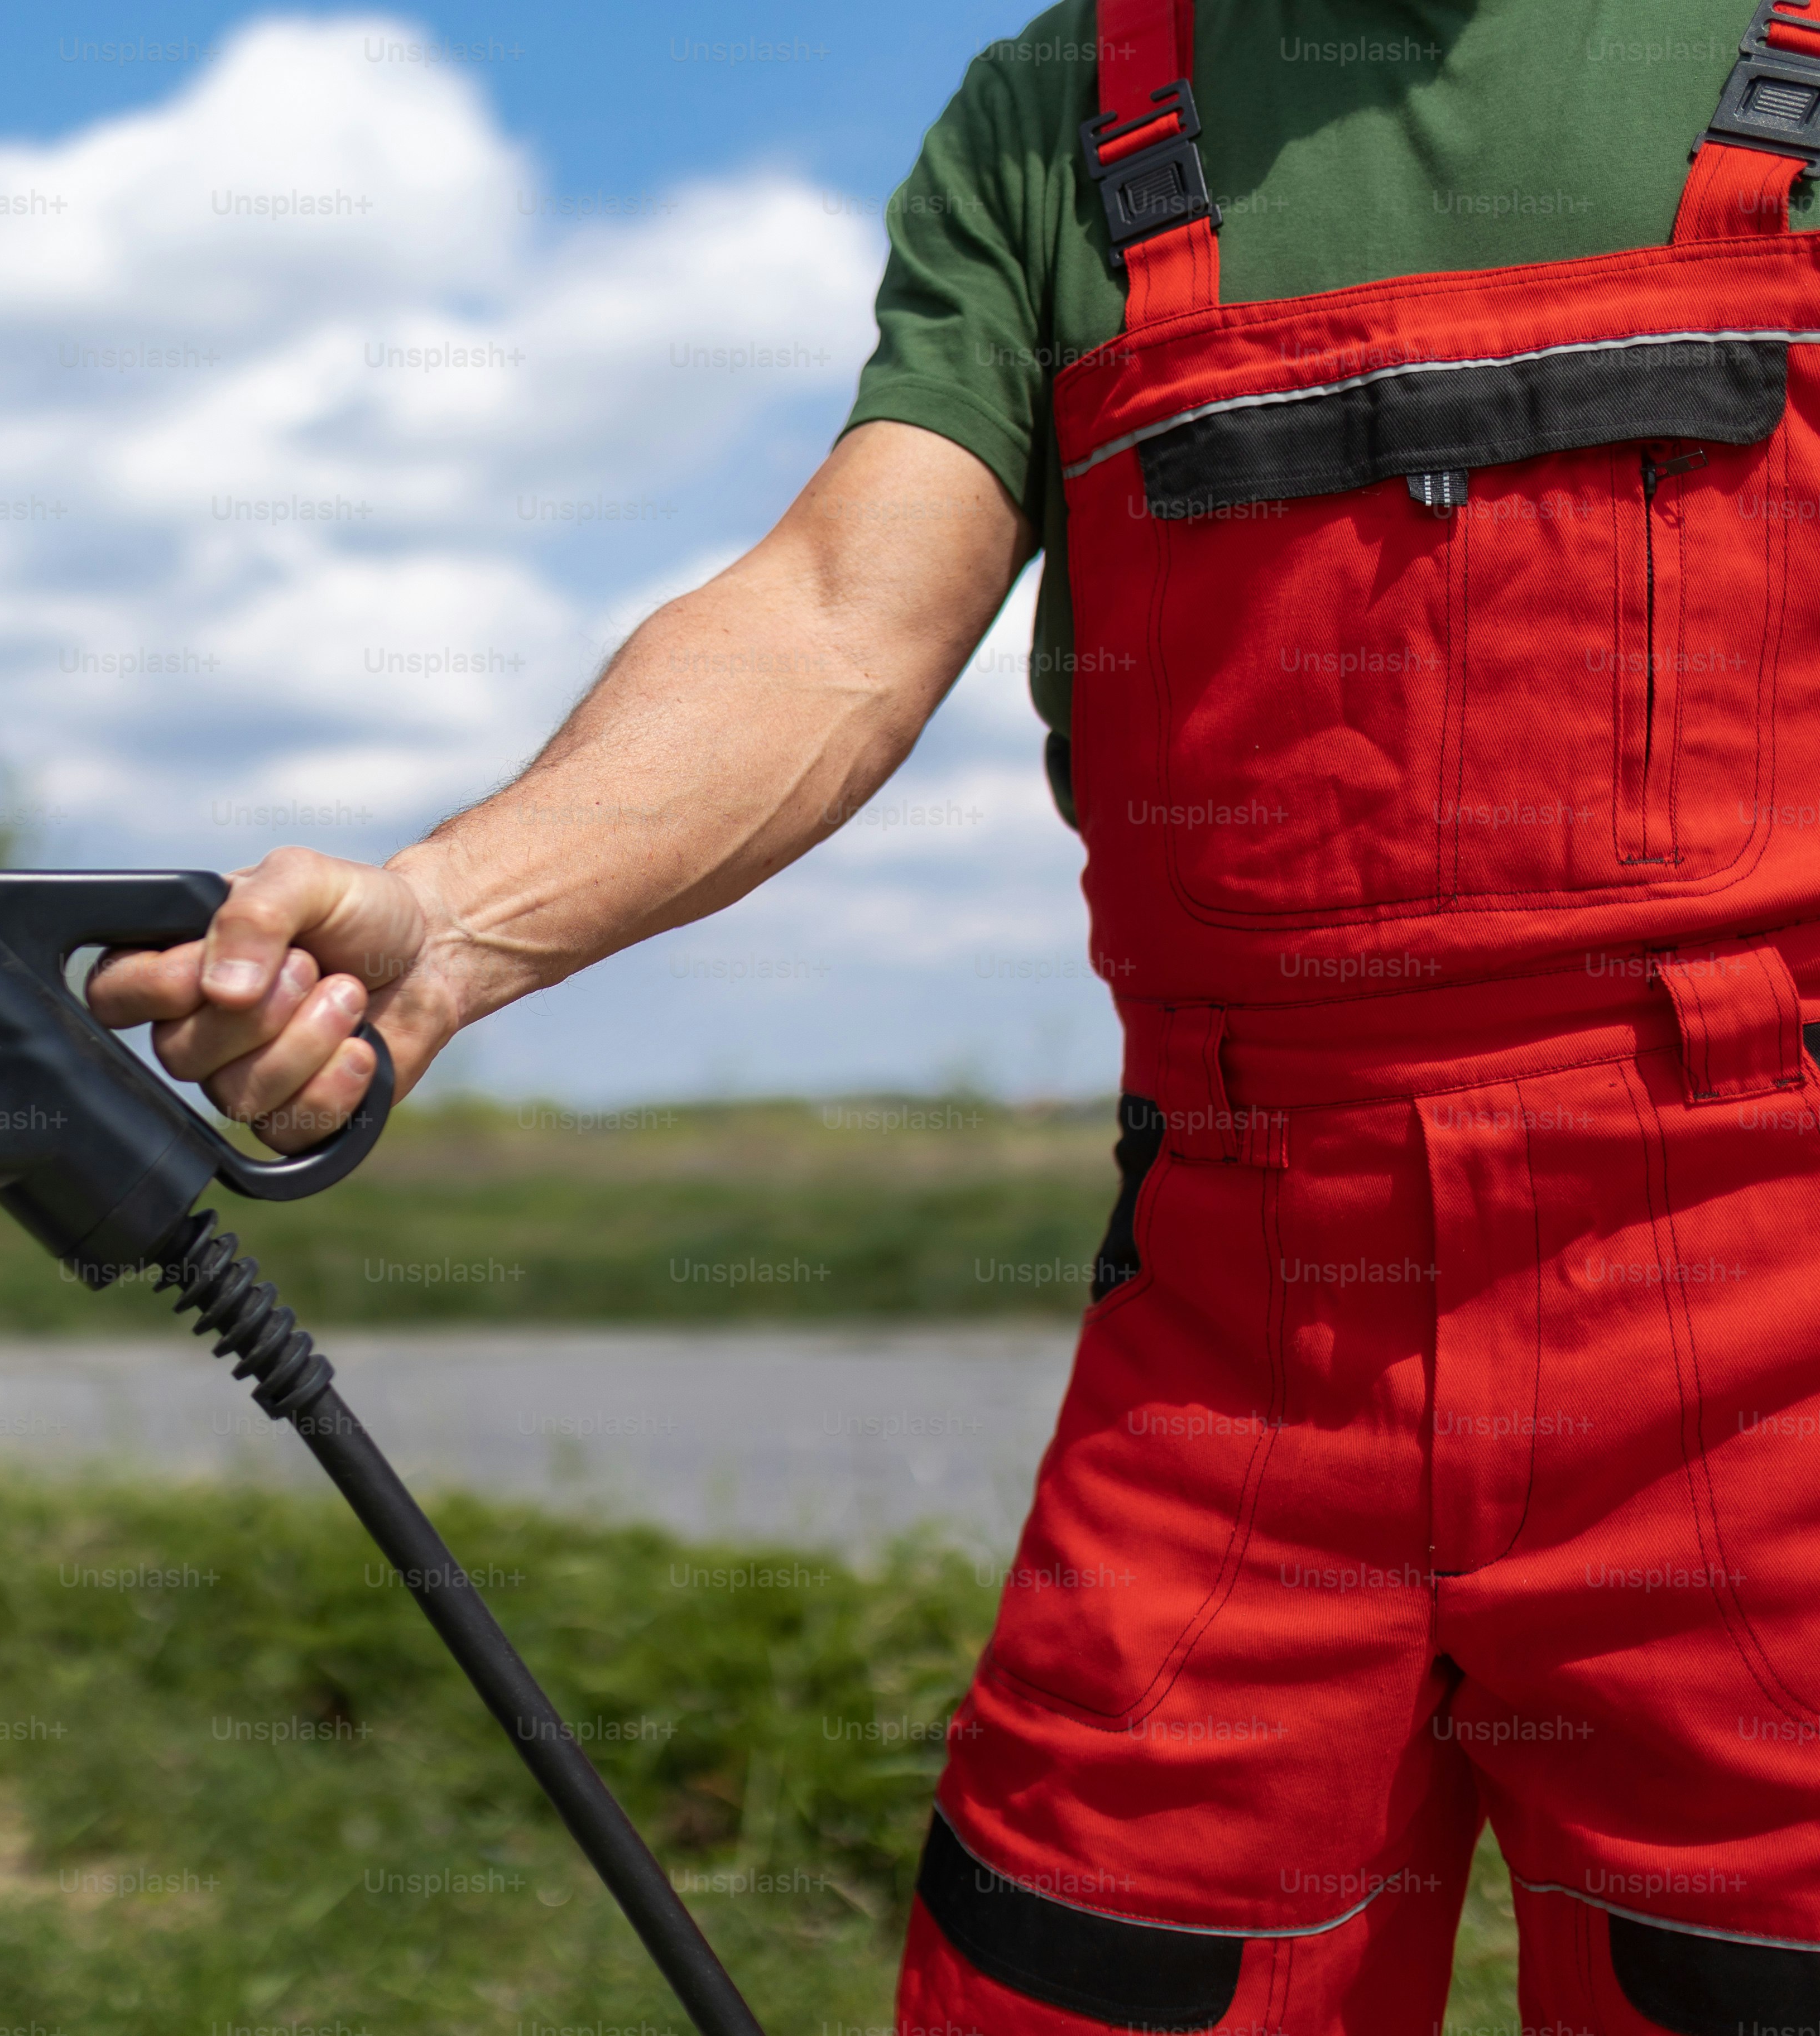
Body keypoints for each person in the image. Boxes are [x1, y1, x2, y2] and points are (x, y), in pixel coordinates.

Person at [88, 0, 1820, 2028]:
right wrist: (458, 924)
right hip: (1246, 1339)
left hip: (1764, 1318)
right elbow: (837, 620)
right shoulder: (1071, 114)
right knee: (1083, 1969)